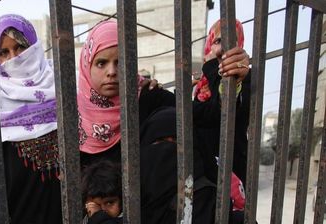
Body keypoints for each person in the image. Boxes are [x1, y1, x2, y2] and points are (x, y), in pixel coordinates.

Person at [77, 20, 250, 168]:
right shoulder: (71, 112)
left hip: (146, 204)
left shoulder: (149, 96)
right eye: (101, 63)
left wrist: (230, 75)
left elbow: (209, 115)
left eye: (120, 62)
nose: (112, 71)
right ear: (87, 65)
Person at [0, 14, 62, 224]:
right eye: (4, 52)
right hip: (16, 212)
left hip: (68, 209)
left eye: (20, 47)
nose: (14, 58)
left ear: (33, 46)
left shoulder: (62, 81)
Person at [194, 18, 251, 184]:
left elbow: (222, 111)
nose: (222, 49)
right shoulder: (200, 86)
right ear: (209, 45)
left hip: (231, 173)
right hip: (202, 173)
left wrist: (211, 64)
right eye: (218, 41)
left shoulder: (246, 78)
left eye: (231, 41)